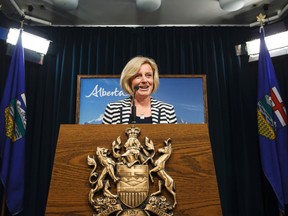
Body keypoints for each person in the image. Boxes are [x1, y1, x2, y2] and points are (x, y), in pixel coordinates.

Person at [102, 56, 177, 124]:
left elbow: (175, 139)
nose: (144, 80)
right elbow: (104, 138)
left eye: (148, 75)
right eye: (138, 76)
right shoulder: (113, 109)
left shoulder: (168, 110)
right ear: (129, 80)